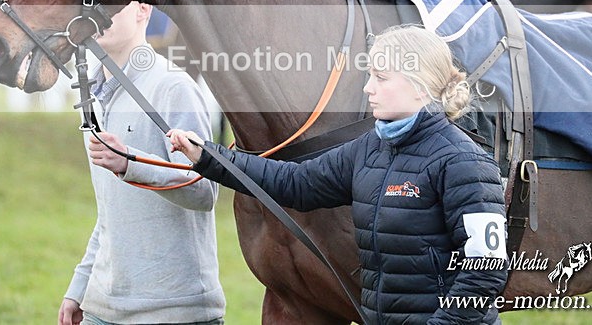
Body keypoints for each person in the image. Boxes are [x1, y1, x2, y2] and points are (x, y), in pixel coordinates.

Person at [163, 25, 509, 324]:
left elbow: (487, 270)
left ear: (419, 87)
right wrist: (207, 156)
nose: (368, 88)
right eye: (369, 75)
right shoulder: (369, 147)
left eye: (381, 78)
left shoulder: (463, 162)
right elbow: (293, 183)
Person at [59, 1, 225, 325]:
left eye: (113, 4)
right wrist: (81, 287)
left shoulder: (174, 88)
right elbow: (111, 211)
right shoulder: (91, 98)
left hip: (174, 311)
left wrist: (130, 163)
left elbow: (204, 191)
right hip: (101, 309)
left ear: (143, 10)